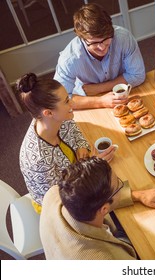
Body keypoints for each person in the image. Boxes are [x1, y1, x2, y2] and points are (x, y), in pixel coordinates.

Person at [40, 157, 155, 260]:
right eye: (119, 186)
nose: (122, 186)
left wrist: (138, 195)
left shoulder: (54, 193)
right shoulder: (107, 260)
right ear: (104, 209)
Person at [18, 73, 116, 213]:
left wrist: (81, 146)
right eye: (66, 101)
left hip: (75, 176)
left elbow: (75, 131)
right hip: (60, 206)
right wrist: (91, 168)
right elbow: (64, 198)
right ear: (48, 113)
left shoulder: (56, 119)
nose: (72, 103)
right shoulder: (38, 161)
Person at [53, 3, 145, 110]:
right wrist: (100, 101)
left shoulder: (123, 38)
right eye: (94, 43)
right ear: (81, 38)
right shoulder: (69, 59)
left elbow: (138, 75)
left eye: (106, 39)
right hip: (87, 100)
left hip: (121, 94)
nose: (102, 48)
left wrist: (98, 88)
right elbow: (60, 100)